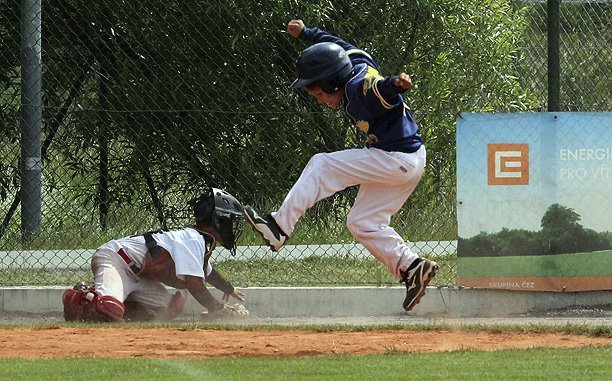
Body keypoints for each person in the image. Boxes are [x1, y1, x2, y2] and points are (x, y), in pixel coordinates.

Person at [243, 19, 436, 312]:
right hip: (406, 159)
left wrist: (396, 84)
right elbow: (335, 43)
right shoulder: (353, 60)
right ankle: (412, 268)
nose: (319, 99)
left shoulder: (359, 88)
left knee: (322, 165)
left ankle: (279, 227)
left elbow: (378, 90)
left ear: (334, 81)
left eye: (319, 93)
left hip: (395, 158)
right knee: (361, 221)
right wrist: (306, 33)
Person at [62, 188, 248, 322]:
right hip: (116, 260)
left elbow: (207, 272)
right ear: (217, 221)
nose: (231, 228)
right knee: (109, 308)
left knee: (167, 309)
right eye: (229, 222)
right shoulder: (193, 240)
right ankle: (80, 296)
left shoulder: (198, 243)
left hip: (136, 274)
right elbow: (195, 284)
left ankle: (118, 299)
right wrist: (218, 309)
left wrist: (228, 288)